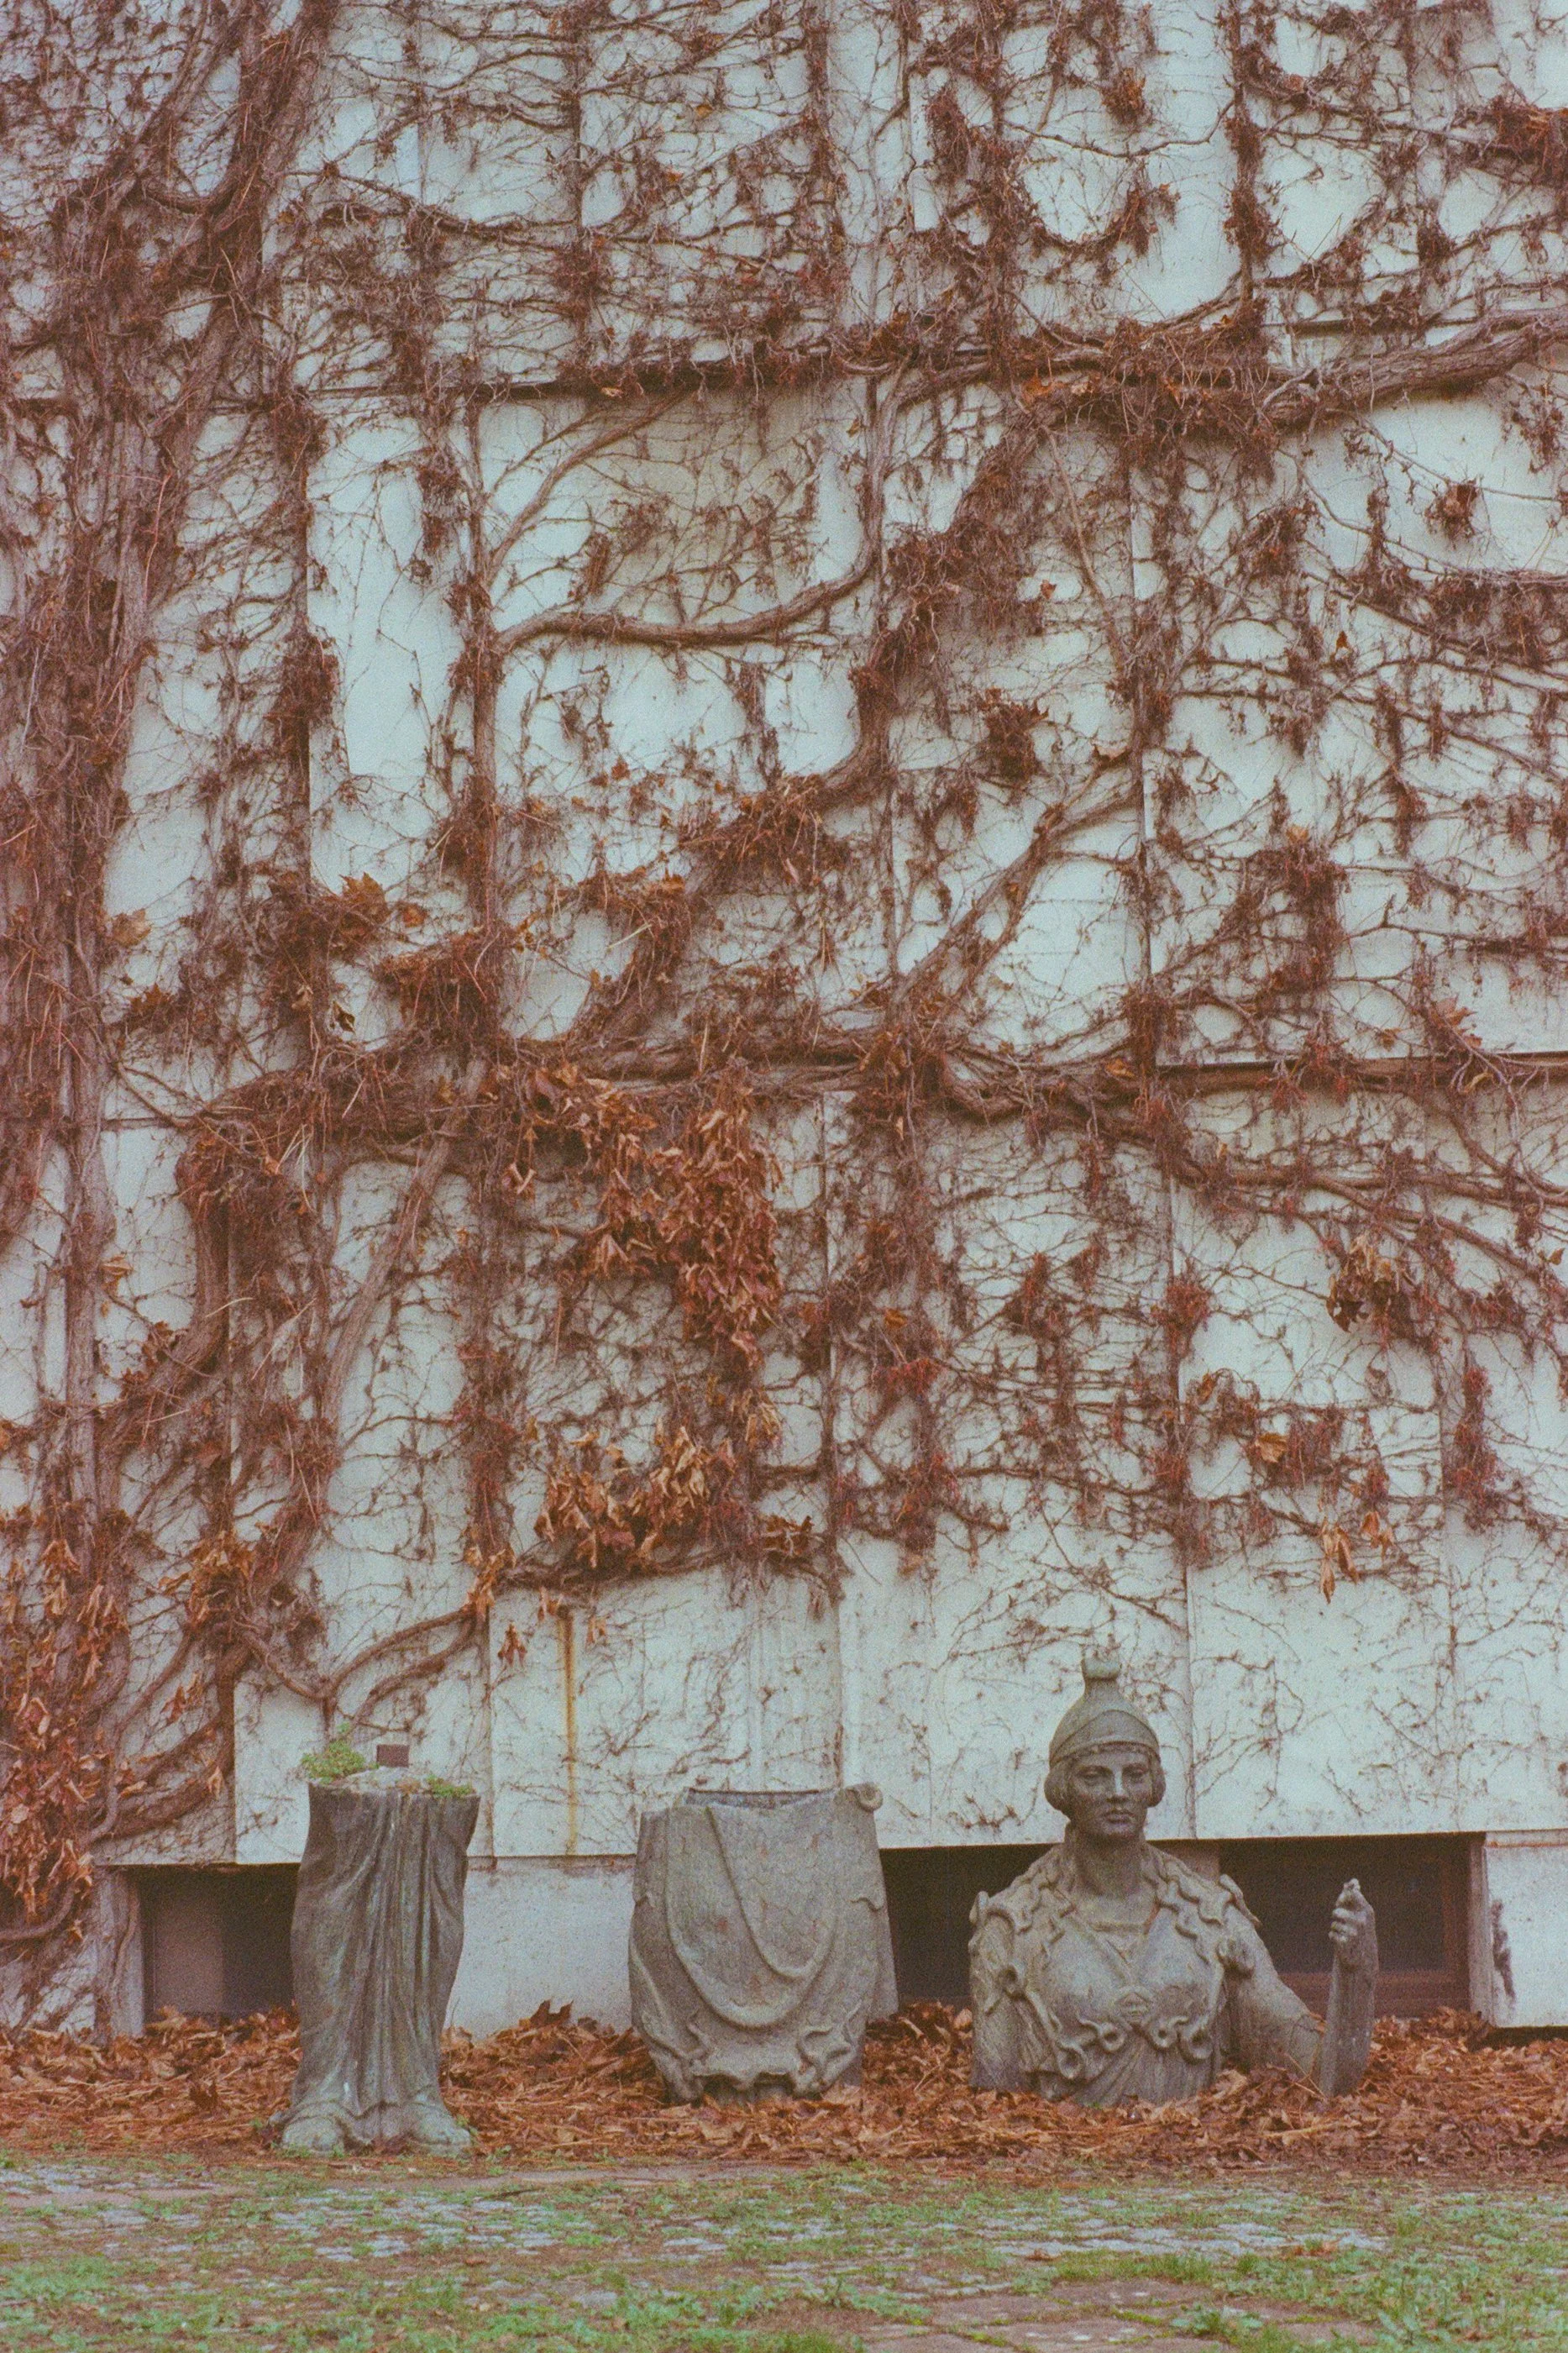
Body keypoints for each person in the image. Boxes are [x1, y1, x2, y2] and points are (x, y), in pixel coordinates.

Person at [969, 1646, 1378, 2104]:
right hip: (1068, 2163)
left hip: (1193, 2159)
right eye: (1096, 1776)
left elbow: (1323, 2073)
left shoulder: (1210, 1917)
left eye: (1134, 1774)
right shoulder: (1013, 1927)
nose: (1118, 1793)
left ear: (1154, 1786)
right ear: (1063, 1789)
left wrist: (1355, 1968)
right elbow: (996, 2104)